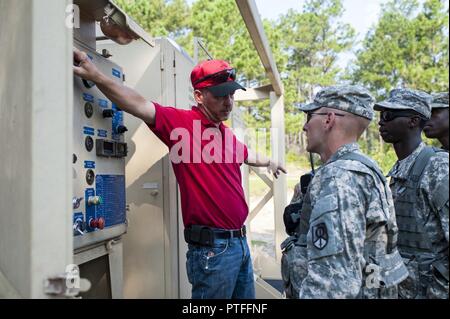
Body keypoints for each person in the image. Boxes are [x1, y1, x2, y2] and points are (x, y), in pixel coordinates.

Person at [73, 50, 286, 299]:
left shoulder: (225, 134)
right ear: (199, 96)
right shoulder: (182, 124)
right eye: (220, 95)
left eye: (231, 94)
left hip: (239, 245)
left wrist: (270, 161)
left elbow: (246, 153)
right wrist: (96, 75)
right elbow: (138, 104)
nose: (228, 102)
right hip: (213, 252)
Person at [281, 85, 407, 299]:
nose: (304, 126)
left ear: (328, 119)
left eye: (310, 116)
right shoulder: (362, 167)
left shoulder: (339, 176)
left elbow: (333, 283)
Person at [375, 88, 449, 299]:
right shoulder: (401, 169)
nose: (381, 122)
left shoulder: (438, 166)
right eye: (381, 116)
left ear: (413, 121)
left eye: (389, 116)